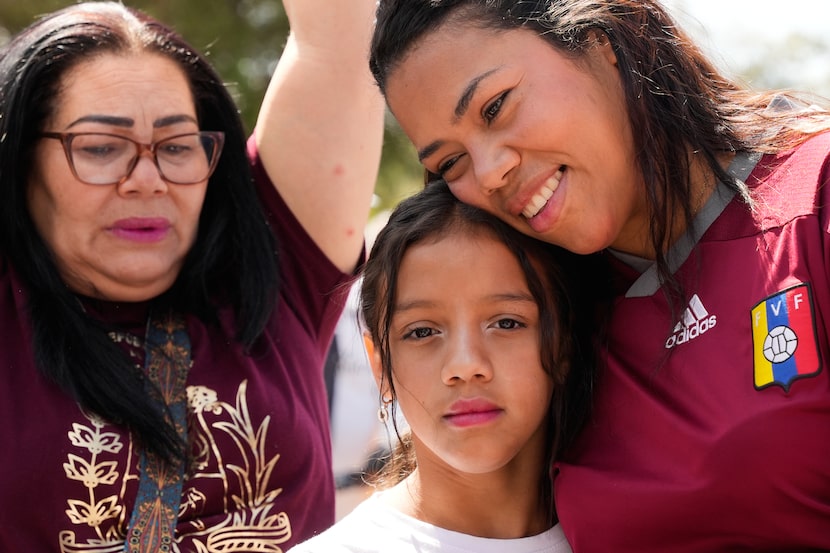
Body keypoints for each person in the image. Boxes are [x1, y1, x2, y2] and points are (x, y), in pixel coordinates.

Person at [367, 1, 830, 551]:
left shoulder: (814, 201)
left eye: (495, 107)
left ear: (600, 40)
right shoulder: (544, 316)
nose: (490, 172)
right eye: (450, 164)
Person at [0, 0, 383, 551]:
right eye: (102, 148)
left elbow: (338, 33)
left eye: (178, 146)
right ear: (21, 164)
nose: (148, 179)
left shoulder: (275, 270)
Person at [290, 180, 603, 553]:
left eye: (506, 323)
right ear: (380, 366)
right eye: (422, 332)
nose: (466, 365)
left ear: (564, 343)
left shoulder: (639, 533)